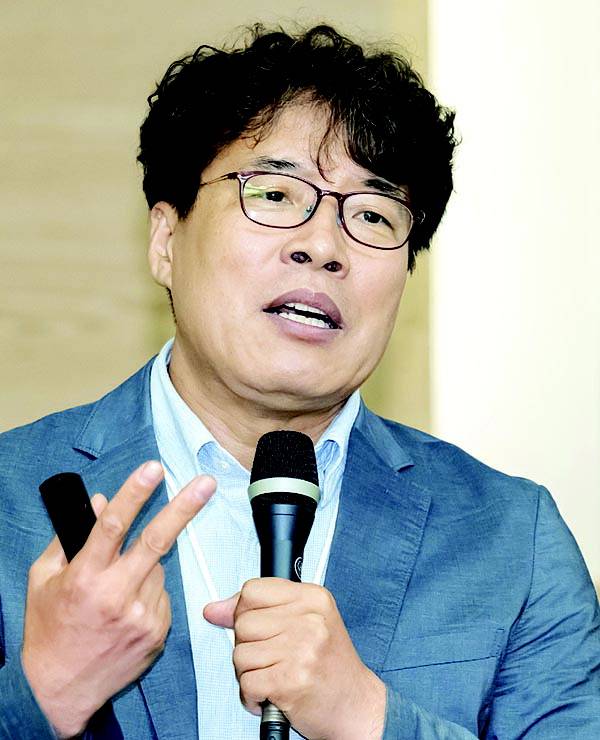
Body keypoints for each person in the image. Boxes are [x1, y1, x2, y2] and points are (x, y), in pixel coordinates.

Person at [0, 23, 598, 740]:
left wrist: (365, 717)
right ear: (166, 240)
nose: (322, 245)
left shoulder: (510, 539)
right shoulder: (8, 496)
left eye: (372, 213)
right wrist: (42, 696)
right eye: (276, 194)